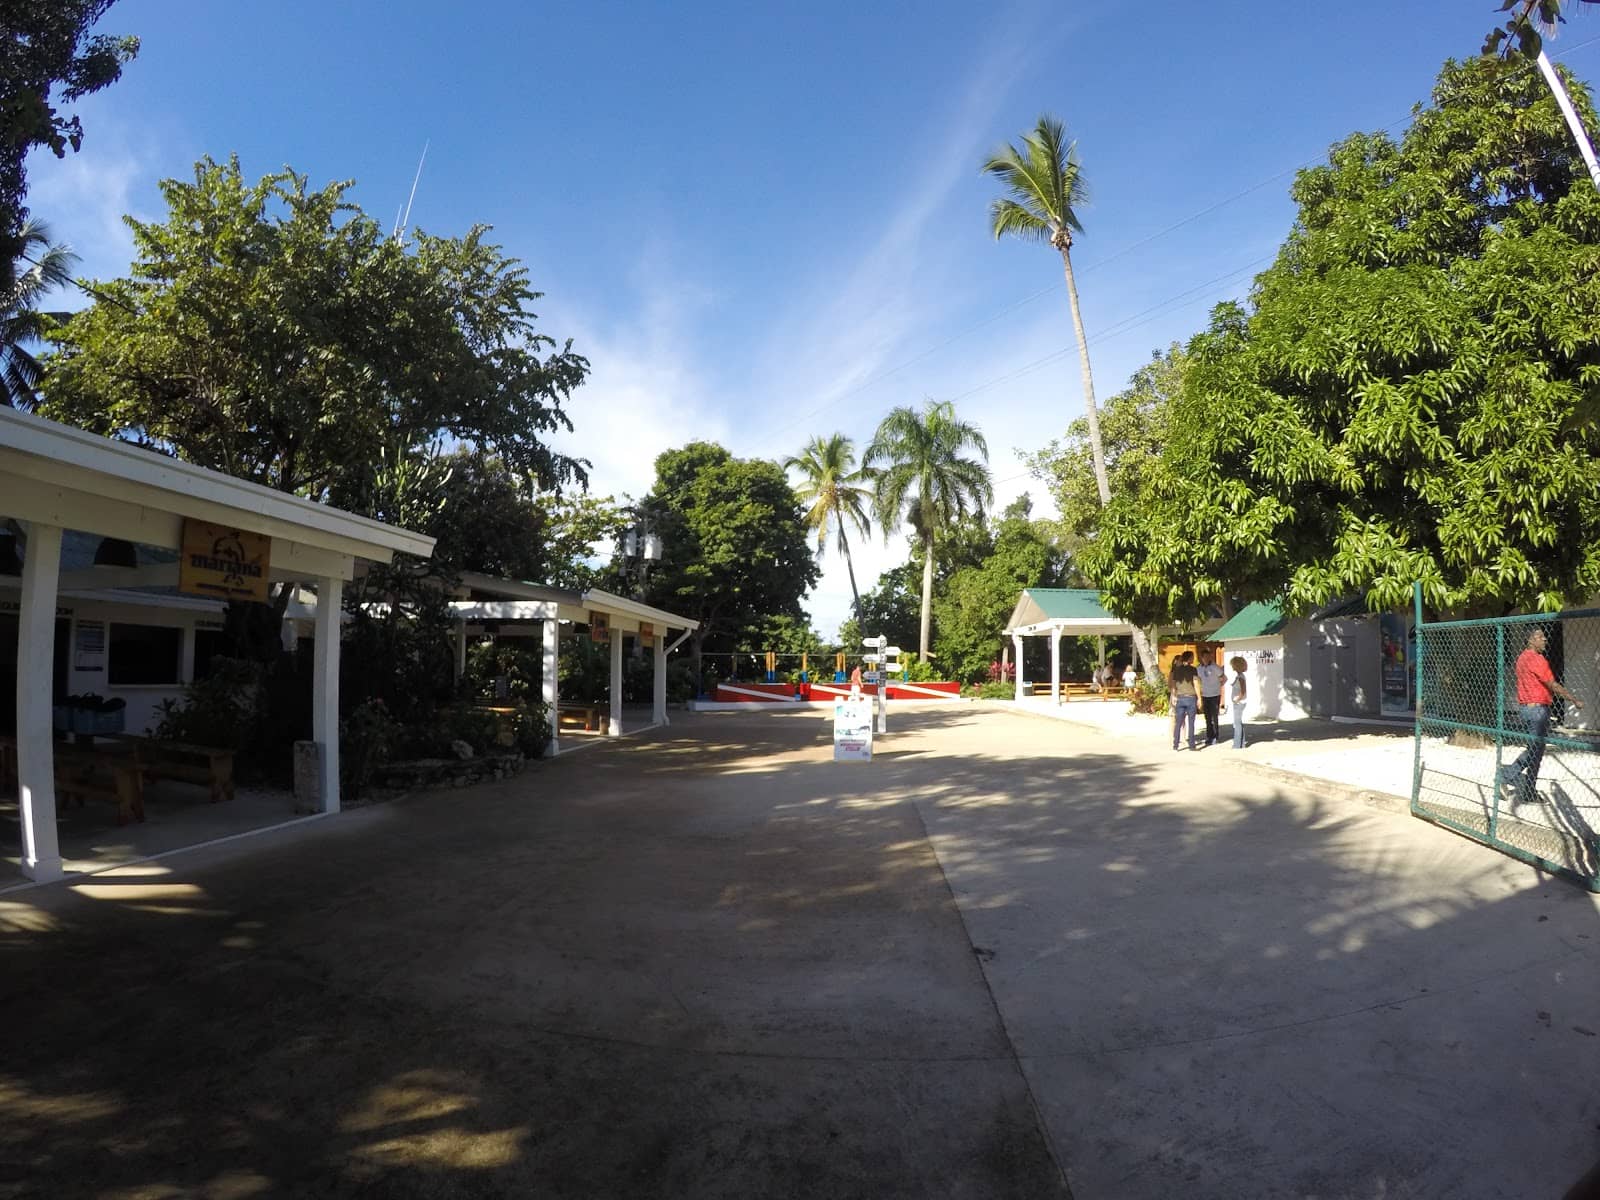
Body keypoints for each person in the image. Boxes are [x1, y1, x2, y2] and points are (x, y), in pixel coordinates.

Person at [1499, 627, 1583, 809]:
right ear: (1530, 640)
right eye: (1540, 637)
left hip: (1527, 709)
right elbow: (1551, 684)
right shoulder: (1537, 659)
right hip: (1537, 710)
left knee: (1536, 750)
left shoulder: (1521, 658)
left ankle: (1529, 790)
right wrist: (1573, 699)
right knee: (1535, 750)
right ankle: (1505, 777)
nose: (1544, 640)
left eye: (1544, 636)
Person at [1169, 651, 1199, 751]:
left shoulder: (1177, 670)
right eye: (1192, 657)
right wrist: (1199, 697)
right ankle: (1191, 745)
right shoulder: (1193, 669)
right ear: (1189, 658)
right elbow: (1196, 683)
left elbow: (1173, 684)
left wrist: (1173, 695)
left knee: (1179, 722)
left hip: (1180, 697)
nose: (1193, 659)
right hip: (1191, 697)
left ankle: (1175, 744)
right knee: (1191, 722)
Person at [1196, 649, 1226, 747]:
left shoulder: (1215, 667)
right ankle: (1209, 736)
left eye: (1209, 656)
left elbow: (1224, 678)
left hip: (1214, 695)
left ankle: (1215, 737)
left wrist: (1219, 685)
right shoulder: (1199, 668)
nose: (1207, 658)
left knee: (1214, 717)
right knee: (1207, 717)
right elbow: (1197, 680)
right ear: (1202, 657)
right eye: (1205, 657)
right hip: (1205, 695)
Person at [1228, 656, 1249, 748]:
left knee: (1236, 724)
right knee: (1239, 722)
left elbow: (1243, 690)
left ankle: (1237, 744)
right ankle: (1242, 743)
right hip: (1239, 702)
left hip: (1239, 703)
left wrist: (1238, 699)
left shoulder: (1240, 677)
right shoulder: (1239, 676)